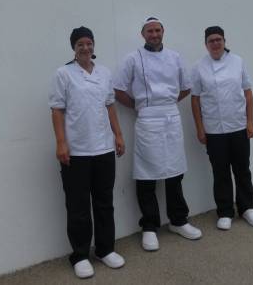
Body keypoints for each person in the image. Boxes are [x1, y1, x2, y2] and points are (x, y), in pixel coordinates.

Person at [114, 17, 202, 251]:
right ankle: (150, 227)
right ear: (142, 34)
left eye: (157, 30)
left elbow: (186, 86)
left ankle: (178, 220)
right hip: (147, 118)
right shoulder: (133, 58)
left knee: (175, 172)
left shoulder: (175, 57)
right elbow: (118, 89)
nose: (154, 34)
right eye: (149, 31)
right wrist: (139, 106)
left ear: (163, 32)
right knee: (146, 176)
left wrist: (168, 103)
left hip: (171, 117)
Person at [49, 26, 126, 279]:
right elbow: (57, 110)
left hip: (103, 148)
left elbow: (110, 106)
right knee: (78, 205)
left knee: (104, 201)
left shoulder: (104, 73)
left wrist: (118, 135)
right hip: (77, 151)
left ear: (94, 46)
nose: (85, 48)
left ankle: (105, 249)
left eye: (89, 43)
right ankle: (80, 255)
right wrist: (61, 143)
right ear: (74, 47)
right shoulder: (64, 74)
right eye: (80, 44)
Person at [190, 26, 253, 230]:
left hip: (238, 126)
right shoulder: (198, 67)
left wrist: (250, 121)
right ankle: (224, 211)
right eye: (211, 40)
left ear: (224, 41)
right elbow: (195, 100)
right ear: (206, 44)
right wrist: (200, 127)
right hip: (213, 129)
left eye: (218, 39)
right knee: (220, 172)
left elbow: (248, 93)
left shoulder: (238, 62)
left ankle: (247, 208)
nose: (215, 43)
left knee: (242, 169)